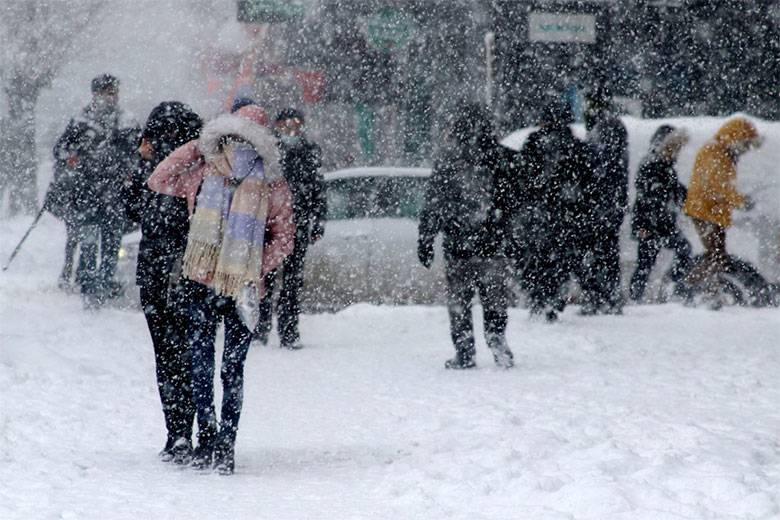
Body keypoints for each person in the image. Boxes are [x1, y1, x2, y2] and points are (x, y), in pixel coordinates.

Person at [147, 104, 294, 475]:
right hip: (235, 288)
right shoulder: (265, 181)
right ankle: (224, 443)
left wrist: (198, 146)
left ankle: (212, 439)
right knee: (229, 368)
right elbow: (284, 238)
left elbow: (160, 177)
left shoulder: (206, 171)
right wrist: (254, 266)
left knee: (205, 365)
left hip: (210, 284)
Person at [124, 101, 203, 464]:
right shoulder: (156, 172)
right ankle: (181, 431)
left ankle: (183, 431)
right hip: (168, 275)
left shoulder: (196, 171)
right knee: (178, 356)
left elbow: (132, 211)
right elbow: (129, 211)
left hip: (180, 274)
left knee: (178, 357)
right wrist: (139, 163)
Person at [418, 103, 515, 370]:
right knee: (494, 299)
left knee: (459, 301)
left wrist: (426, 238)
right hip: (492, 243)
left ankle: (464, 351)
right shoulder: (500, 158)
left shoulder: (449, 160)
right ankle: (497, 341)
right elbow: (513, 202)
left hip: (458, 243)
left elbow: (434, 204)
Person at [52, 74, 136, 306]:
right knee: (89, 244)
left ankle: (102, 286)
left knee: (111, 246)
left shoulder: (126, 120)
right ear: (96, 94)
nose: (112, 97)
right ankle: (89, 288)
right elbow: (60, 150)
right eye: (108, 92)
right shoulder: (81, 120)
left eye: (114, 92)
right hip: (85, 193)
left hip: (114, 194)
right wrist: (72, 158)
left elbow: (137, 154)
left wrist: (129, 170)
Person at [253, 108, 326, 349]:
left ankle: (289, 330)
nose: (292, 129)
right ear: (278, 125)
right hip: (270, 224)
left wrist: (317, 221)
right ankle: (261, 327)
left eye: (297, 124)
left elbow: (318, 188)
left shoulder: (308, 151)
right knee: (266, 277)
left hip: (298, 223)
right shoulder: (268, 150)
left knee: (293, 281)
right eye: (287, 124)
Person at [517, 99, 592, 322]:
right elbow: (587, 182)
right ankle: (554, 298)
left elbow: (522, 176)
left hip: (539, 213)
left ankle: (538, 298)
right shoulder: (575, 145)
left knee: (536, 258)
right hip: (567, 213)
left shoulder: (534, 142)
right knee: (561, 259)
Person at [682, 117, 763, 302]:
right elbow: (718, 185)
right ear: (736, 139)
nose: (746, 150)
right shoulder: (714, 151)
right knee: (716, 256)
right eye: (746, 145)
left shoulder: (723, 151)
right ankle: (689, 287)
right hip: (705, 212)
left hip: (712, 212)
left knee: (717, 256)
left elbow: (721, 186)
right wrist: (740, 201)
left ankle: (708, 290)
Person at [580, 86, 629, 314]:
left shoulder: (606, 129)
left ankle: (600, 297)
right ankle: (605, 296)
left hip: (602, 203)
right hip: (608, 202)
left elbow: (601, 166)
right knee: (606, 251)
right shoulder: (612, 127)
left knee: (600, 251)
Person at [628, 125, 693, 301]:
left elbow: (675, 191)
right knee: (646, 263)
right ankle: (639, 295)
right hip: (650, 224)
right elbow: (648, 198)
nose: (677, 153)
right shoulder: (651, 164)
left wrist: (691, 200)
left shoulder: (665, 165)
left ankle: (666, 284)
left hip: (662, 224)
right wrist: (645, 226)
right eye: (675, 147)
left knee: (651, 262)